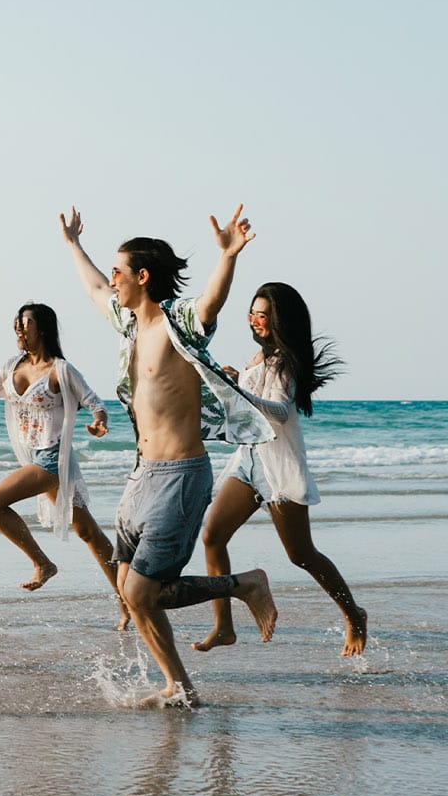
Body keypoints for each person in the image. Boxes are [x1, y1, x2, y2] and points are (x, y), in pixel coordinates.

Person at [59, 206, 281, 707]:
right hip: (141, 475)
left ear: (142, 276)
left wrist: (227, 256)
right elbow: (94, 289)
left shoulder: (177, 321)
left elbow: (209, 304)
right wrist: (73, 244)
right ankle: (180, 688)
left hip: (181, 474)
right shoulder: (130, 326)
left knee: (142, 592)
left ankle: (245, 584)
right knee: (128, 587)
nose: (112, 280)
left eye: (119, 271)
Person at [197, 283, 369, 657]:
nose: (254, 321)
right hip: (248, 462)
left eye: (263, 315)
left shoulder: (284, 363)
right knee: (212, 536)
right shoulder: (257, 359)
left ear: (280, 321)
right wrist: (231, 382)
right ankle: (223, 626)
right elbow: (247, 409)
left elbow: (277, 412)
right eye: (252, 313)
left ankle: (354, 614)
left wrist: (238, 390)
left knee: (301, 554)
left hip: (278, 467)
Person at [0, 302, 128, 625]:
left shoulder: (61, 370)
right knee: (89, 532)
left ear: (42, 329)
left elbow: (95, 403)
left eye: (25, 323)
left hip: (53, 459)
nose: (18, 328)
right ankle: (128, 602)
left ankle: (42, 564)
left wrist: (100, 423)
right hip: (33, 457)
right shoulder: (11, 366)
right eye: (17, 323)